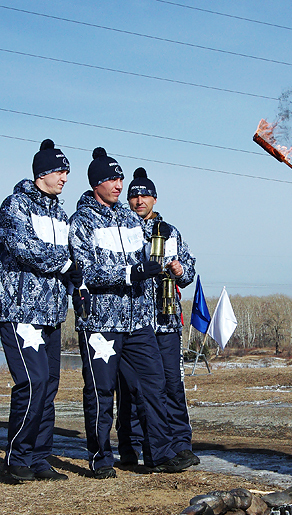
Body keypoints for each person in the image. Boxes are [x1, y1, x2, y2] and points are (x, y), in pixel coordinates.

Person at [68, 147, 194, 478]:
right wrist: (130, 273)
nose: (118, 184)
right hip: (102, 323)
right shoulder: (81, 222)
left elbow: (149, 259)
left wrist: (160, 266)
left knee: (153, 385)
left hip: (138, 322)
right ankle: (101, 458)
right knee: (102, 393)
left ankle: (160, 454)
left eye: (120, 178)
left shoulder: (129, 220)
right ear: (96, 182)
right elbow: (85, 272)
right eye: (112, 178)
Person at [0, 139, 77, 482]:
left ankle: (40, 458)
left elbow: (73, 258)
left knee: (49, 386)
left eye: (67, 173)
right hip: (21, 311)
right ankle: (17, 457)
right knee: (33, 382)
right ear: (42, 172)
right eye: (60, 171)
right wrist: (68, 263)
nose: (65, 179)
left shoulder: (59, 212)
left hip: (52, 313)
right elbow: (24, 248)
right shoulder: (15, 205)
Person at [114, 167, 199, 467]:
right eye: (133, 195)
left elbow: (189, 270)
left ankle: (179, 444)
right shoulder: (121, 228)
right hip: (134, 321)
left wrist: (180, 271)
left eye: (144, 195)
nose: (139, 200)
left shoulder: (170, 231)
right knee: (133, 388)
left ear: (155, 198)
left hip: (165, 321)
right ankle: (130, 445)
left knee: (172, 384)